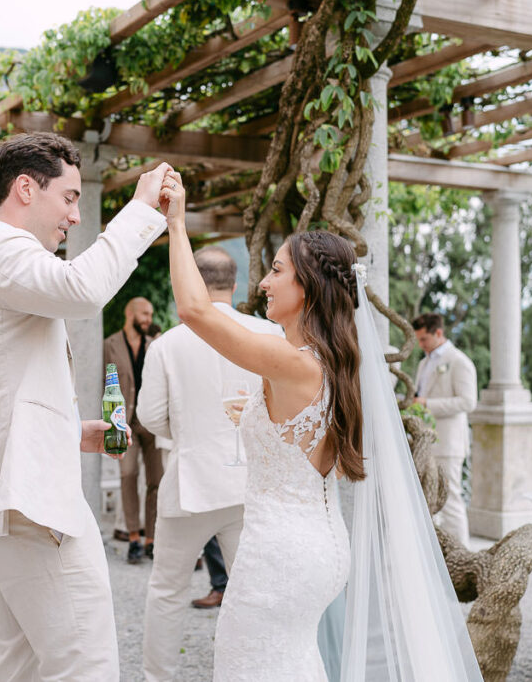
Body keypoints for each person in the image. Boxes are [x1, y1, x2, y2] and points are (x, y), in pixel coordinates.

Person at [160, 173, 483, 680]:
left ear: (307, 285)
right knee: (291, 663)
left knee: (251, 665)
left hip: (279, 556)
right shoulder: (333, 363)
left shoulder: (296, 362)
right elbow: (299, 439)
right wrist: (253, 417)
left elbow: (194, 310)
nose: (263, 283)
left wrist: (176, 223)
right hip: (318, 544)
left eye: (275, 271)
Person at [0, 132, 171, 681]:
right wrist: (139, 211)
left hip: (5, 500)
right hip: (31, 503)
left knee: (22, 670)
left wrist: (68, 428)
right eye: (69, 197)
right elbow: (83, 292)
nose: (74, 214)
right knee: (83, 666)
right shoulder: (1, 250)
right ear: (24, 188)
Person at [137, 245, 280, 681]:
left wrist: (183, 432)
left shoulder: (167, 345)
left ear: (193, 282)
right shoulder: (269, 334)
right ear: (235, 285)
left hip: (189, 483)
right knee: (251, 590)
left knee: (166, 590)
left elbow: (148, 415)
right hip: (251, 484)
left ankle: (157, 677)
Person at [104, 296, 162, 563]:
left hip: (151, 421)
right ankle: (134, 539)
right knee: (128, 475)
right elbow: (102, 383)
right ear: (131, 314)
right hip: (121, 421)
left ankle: (151, 539)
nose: (149, 319)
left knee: (156, 481)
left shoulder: (156, 346)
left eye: (151, 314)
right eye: (145, 314)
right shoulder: (110, 345)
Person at [413, 312, 478, 546]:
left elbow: (468, 402)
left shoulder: (459, 362)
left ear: (438, 333)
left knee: (451, 500)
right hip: (426, 443)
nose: (421, 345)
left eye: (424, 340)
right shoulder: (423, 363)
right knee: (429, 499)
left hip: (449, 443)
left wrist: (427, 404)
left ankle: (462, 552)